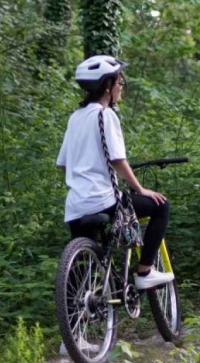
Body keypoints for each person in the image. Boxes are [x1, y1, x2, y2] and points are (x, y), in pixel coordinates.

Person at [57, 55, 173, 289]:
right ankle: (144, 272)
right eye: (120, 82)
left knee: (82, 273)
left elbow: (63, 163)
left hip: (76, 204)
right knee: (161, 206)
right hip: (102, 199)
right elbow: (118, 160)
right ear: (107, 86)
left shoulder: (75, 118)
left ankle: (74, 312)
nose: (121, 88)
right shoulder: (106, 115)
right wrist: (140, 189)